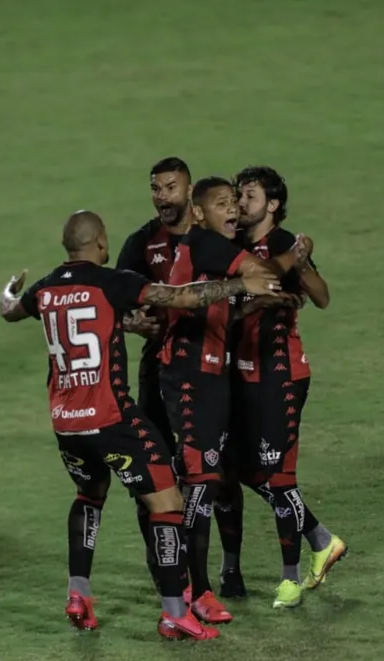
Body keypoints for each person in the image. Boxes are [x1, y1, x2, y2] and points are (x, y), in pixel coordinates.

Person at [0, 210, 280, 639]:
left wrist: (8, 290)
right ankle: (174, 613)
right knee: (167, 503)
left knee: (89, 497)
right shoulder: (112, 282)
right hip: (111, 419)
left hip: (66, 424)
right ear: (98, 243)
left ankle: (79, 594)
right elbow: (182, 296)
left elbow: (8, 311)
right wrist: (243, 284)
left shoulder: (45, 289)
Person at [160, 177, 310, 624]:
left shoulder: (210, 249)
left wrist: (253, 302)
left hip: (212, 377)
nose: (233, 211)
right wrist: (296, 254)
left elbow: (222, 302)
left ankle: (198, 589)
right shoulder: (204, 244)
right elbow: (261, 272)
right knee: (199, 486)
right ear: (201, 212)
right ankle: (190, 591)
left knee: (207, 482)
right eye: (222, 204)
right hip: (190, 377)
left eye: (234, 203)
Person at [222, 166, 346, 609]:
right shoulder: (234, 243)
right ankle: (321, 539)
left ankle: (290, 578)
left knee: (278, 475)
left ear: (272, 204)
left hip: (281, 372)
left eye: (249, 195)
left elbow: (322, 295)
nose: (240, 202)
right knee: (242, 471)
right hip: (242, 372)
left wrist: (302, 261)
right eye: (238, 194)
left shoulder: (282, 243)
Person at [115, 157, 196, 579]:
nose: (162, 196)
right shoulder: (142, 243)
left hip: (210, 368)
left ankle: (224, 570)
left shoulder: (212, 235)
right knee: (155, 467)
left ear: (188, 188)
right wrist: (132, 323)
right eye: (156, 188)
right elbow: (115, 306)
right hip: (159, 369)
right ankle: (165, 562)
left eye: (170, 187)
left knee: (216, 471)